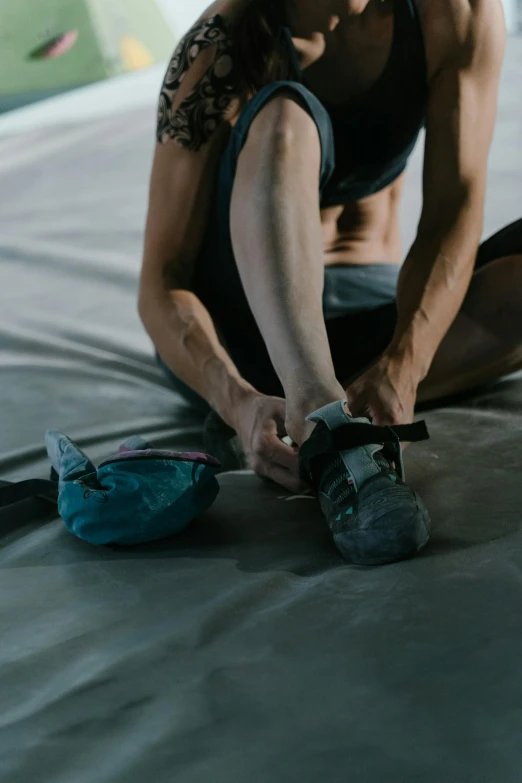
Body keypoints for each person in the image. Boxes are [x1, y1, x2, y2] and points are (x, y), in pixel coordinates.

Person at [139, 0, 521, 564]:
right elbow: (160, 281)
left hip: (377, 326)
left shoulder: (457, 12)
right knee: (284, 116)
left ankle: (341, 409)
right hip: (249, 339)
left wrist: (405, 363)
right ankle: (323, 422)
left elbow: (452, 210)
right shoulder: (221, 43)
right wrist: (236, 402)